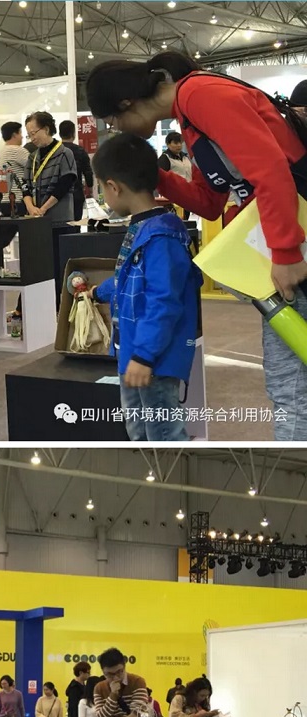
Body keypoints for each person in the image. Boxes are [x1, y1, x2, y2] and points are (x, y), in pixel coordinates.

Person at [86, 52, 307, 441]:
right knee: (289, 381)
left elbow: (271, 170)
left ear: (125, 103)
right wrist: (152, 175)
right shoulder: (188, 119)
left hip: (296, 240)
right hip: (280, 241)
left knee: (290, 388)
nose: (116, 129)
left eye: (112, 121)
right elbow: (208, 202)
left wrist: (286, 253)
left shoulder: (199, 94)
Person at [91, 132, 202, 441]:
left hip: (154, 360)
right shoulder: (144, 228)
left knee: (163, 435)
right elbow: (130, 279)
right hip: (134, 353)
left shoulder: (161, 236)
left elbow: (163, 301)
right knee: (139, 433)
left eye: (101, 187)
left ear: (113, 186)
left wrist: (144, 356)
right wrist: (97, 292)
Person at [23, 112, 77, 221]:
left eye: (33, 133)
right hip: (37, 219)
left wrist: (44, 209)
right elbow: (25, 185)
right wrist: (30, 207)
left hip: (60, 218)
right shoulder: (32, 158)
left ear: (46, 129)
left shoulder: (64, 153)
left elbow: (64, 185)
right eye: (29, 135)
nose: (32, 139)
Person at [59, 119, 94, 221]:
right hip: (76, 193)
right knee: (77, 222)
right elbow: (87, 171)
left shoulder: (56, 151)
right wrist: (90, 187)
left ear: (60, 133)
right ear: (73, 134)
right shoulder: (80, 151)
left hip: (59, 195)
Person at [0, 121, 29, 216]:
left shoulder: (3, 151)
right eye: (20, 133)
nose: (22, 137)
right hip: (18, 199)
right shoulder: (17, 150)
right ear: (14, 135)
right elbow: (35, 167)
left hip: (4, 200)